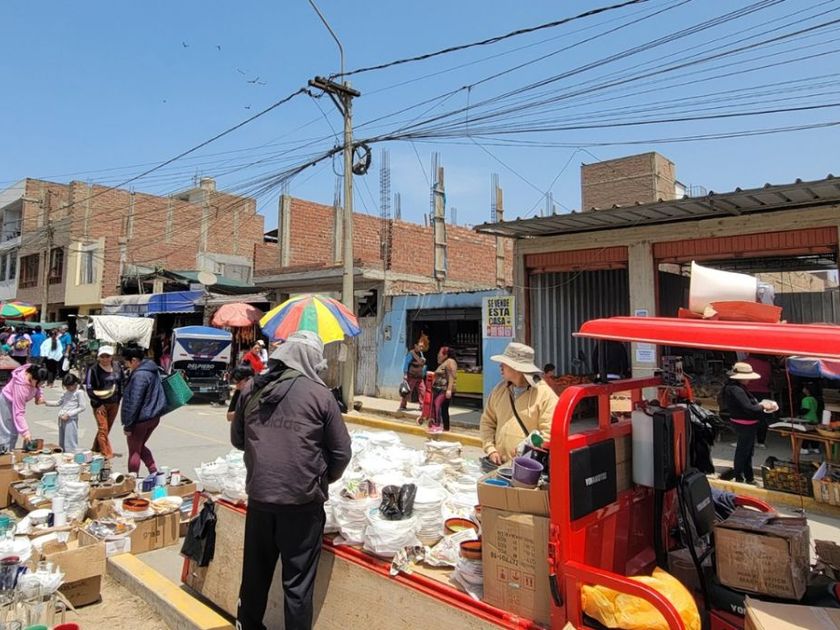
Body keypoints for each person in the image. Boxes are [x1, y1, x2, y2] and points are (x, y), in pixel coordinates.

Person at [231, 331, 351, 630]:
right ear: (309, 360)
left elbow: (238, 440)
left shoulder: (252, 387)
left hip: (260, 497)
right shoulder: (320, 394)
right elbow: (341, 453)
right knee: (297, 584)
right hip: (302, 503)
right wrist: (320, 478)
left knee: (255, 574)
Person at [480, 342, 558, 464]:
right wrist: (491, 449)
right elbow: (487, 421)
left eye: (505, 363)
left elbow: (549, 434)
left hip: (528, 467)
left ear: (517, 368)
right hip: (500, 465)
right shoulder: (499, 390)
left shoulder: (545, 395)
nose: (500, 366)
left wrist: (526, 451)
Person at [721, 362, 776, 484]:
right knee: (744, 452)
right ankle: (740, 477)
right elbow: (749, 408)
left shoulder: (735, 388)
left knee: (747, 451)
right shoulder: (736, 389)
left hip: (744, 423)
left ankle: (748, 476)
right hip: (744, 424)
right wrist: (763, 406)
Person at [121, 344, 167, 476]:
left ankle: (132, 478)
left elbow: (134, 401)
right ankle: (154, 471)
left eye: (126, 362)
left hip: (141, 419)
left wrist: (128, 425)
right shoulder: (152, 369)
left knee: (134, 450)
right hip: (153, 417)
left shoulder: (140, 375)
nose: (126, 365)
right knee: (139, 446)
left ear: (134, 360)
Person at [86, 345, 124, 459]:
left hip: (114, 402)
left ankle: (96, 448)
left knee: (107, 428)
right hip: (100, 404)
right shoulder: (93, 369)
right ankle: (106, 453)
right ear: (99, 357)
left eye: (107, 356)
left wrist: (120, 397)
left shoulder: (117, 366)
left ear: (111, 357)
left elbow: (122, 382)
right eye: (102, 356)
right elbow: (89, 388)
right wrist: (97, 404)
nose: (105, 359)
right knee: (103, 428)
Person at [0, 364, 47, 451]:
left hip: (16, 402)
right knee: (8, 432)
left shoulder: (35, 371)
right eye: (39, 382)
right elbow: (19, 413)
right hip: (7, 401)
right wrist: (25, 432)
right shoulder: (21, 387)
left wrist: (39, 396)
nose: (40, 385)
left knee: (14, 432)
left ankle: (10, 451)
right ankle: (5, 454)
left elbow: (38, 387)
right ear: (33, 377)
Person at [45, 373, 86, 453]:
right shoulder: (66, 392)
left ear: (75, 384)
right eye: (66, 386)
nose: (67, 388)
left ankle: (71, 455)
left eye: (69, 386)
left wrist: (69, 414)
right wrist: (46, 402)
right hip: (61, 418)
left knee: (70, 441)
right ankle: (63, 455)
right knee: (62, 441)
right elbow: (59, 402)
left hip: (70, 419)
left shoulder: (79, 392)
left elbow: (82, 407)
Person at [429, 347, 457, 433]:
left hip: (444, 389)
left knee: (437, 404)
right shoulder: (444, 362)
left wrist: (449, 389)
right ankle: (446, 428)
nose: (438, 355)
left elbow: (451, 376)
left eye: (440, 353)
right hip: (440, 389)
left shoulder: (450, 362)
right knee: (444, 408)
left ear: (445, 355)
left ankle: (437, 425)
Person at [399, 340, 427, 412]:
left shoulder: (421, 354)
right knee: (407, 391)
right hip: (412, 376)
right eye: (420, 346)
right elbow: (406, 363)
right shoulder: (411, 353)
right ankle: (403, 405)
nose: (421, 348)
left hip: (419, 377)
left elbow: (421, 363)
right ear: (415, 345)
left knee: (423, 391)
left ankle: (422, 406)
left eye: (422, 347)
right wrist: (405, 374)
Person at [799, 383, 822, 455]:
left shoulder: (805, 399)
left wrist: (799, 413)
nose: (803, 389)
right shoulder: (814, 399)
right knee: (814, 435)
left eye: (804, 388)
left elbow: (806, 409)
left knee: (806, 435)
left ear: (807, 390)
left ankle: (804, 448)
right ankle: (815, 448)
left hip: (807, 419)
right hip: (815, 419)